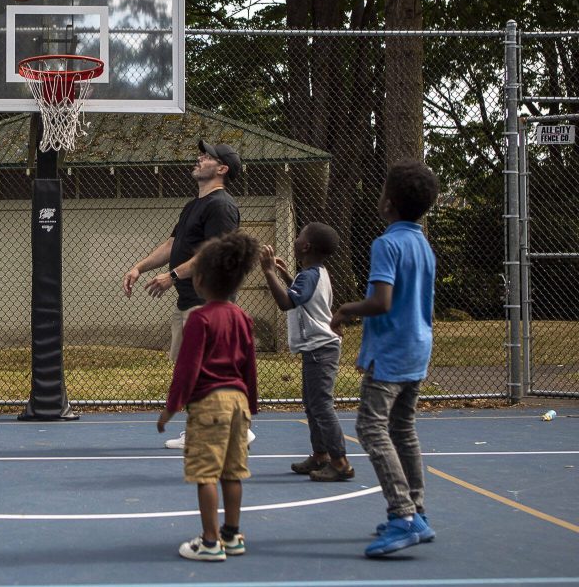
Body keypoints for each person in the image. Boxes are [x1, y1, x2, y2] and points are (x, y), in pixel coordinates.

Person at [330, 159, 440, 557]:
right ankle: (419, 511)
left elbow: (381, 302)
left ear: (388, 202)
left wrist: (344, 309)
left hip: (393, 352)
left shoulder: (387, 244)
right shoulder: (422, 245)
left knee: (371, 428)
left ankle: (403, 515)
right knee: (403, 429)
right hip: (416, 347)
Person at [124, 140, 254, 449]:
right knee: (191, 365)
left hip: (206, 302)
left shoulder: (221, 206)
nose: (199, 159)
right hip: (188, 299)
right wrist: (139, 267)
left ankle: (228, 427)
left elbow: (213, 253)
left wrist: (172, 275)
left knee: (203, 368)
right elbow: (172, 245)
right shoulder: (193, 205)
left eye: (207, 157)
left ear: (221, 169)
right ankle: (217, 426)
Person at [157, 231, 259, 561]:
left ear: (199, 280)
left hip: (210, 404)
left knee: (206, 475)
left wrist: (170, 408)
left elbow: (187, 369)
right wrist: (251, 404)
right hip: (238, 404)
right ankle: (232, 534)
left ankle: (210, 541)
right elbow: (249, 365)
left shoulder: (200, 318)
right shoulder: (243, 317)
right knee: (233, 472)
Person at [260, 222, 353, 482]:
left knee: (321, 406)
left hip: (320, 348)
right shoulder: (315, 273)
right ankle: (321, 455)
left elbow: (286, 302)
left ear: (306, 246)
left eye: (299, 235)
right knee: (313, 406)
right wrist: (286, 275)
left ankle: (340, 462)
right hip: (318, 348)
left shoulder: (310, 275)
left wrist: (268, 272)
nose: (296, 237)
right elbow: (301, 297)